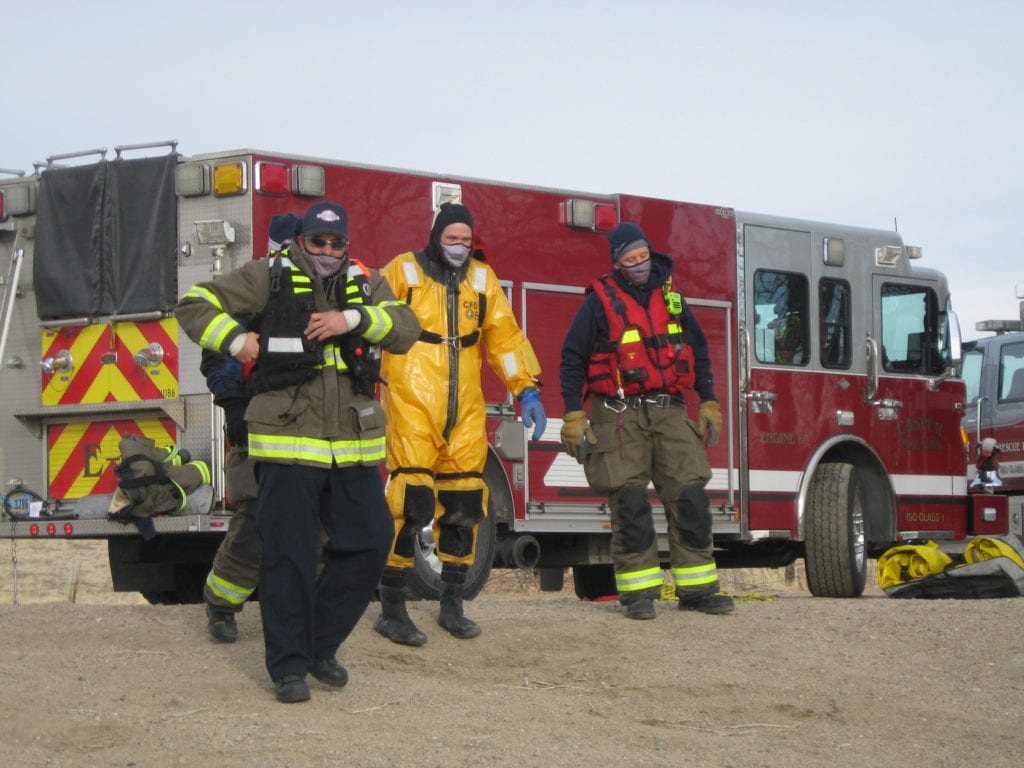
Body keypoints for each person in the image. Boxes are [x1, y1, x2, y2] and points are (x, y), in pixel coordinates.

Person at [176, 201, 421, 702]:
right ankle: (289, 668)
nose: (328, 251)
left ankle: (318, 646)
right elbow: (194, 304)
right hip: (286, 442)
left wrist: (350, 318)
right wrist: (237, 339)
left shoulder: (365, 281)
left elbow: (406, 328)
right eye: (318, 242)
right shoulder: (266, 276)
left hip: (351, 446)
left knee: (373, 541)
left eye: (337, 244)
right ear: (301, 241)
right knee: (287, 556)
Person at [374, 202, 546, 645]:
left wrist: (525, 387)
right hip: (412, 399)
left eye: (466, 240)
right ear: (436, 236)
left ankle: (452, 602)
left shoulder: (483, 280)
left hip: (465, 406)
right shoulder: (403, 271)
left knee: (467, 503)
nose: (459, 247)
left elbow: (505, 338)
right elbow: (370, 319)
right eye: (452, 239)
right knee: (411, 501)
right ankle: (391, 605)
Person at [559, 221, 734, 620]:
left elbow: (698, 349)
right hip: (619, 414)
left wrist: (709, 400)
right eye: (629, 259)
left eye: (642, 257)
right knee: (631, 503)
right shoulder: (597, 302)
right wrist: (573, 413)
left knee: (690, 495)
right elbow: (572, 359)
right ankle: (639, 595)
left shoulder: (672, 296)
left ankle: (698, 589)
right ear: (617, 262)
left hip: (670, 409)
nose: (638, 265)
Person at [201, 214, 299, 643]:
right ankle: (222, 605)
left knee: (314, 523)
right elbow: (221, 353)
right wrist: (233, 403)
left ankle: (301, 615)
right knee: (256, 518)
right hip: (256, 420)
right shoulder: (253, 288)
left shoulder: (326, 289)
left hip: (312, 424)